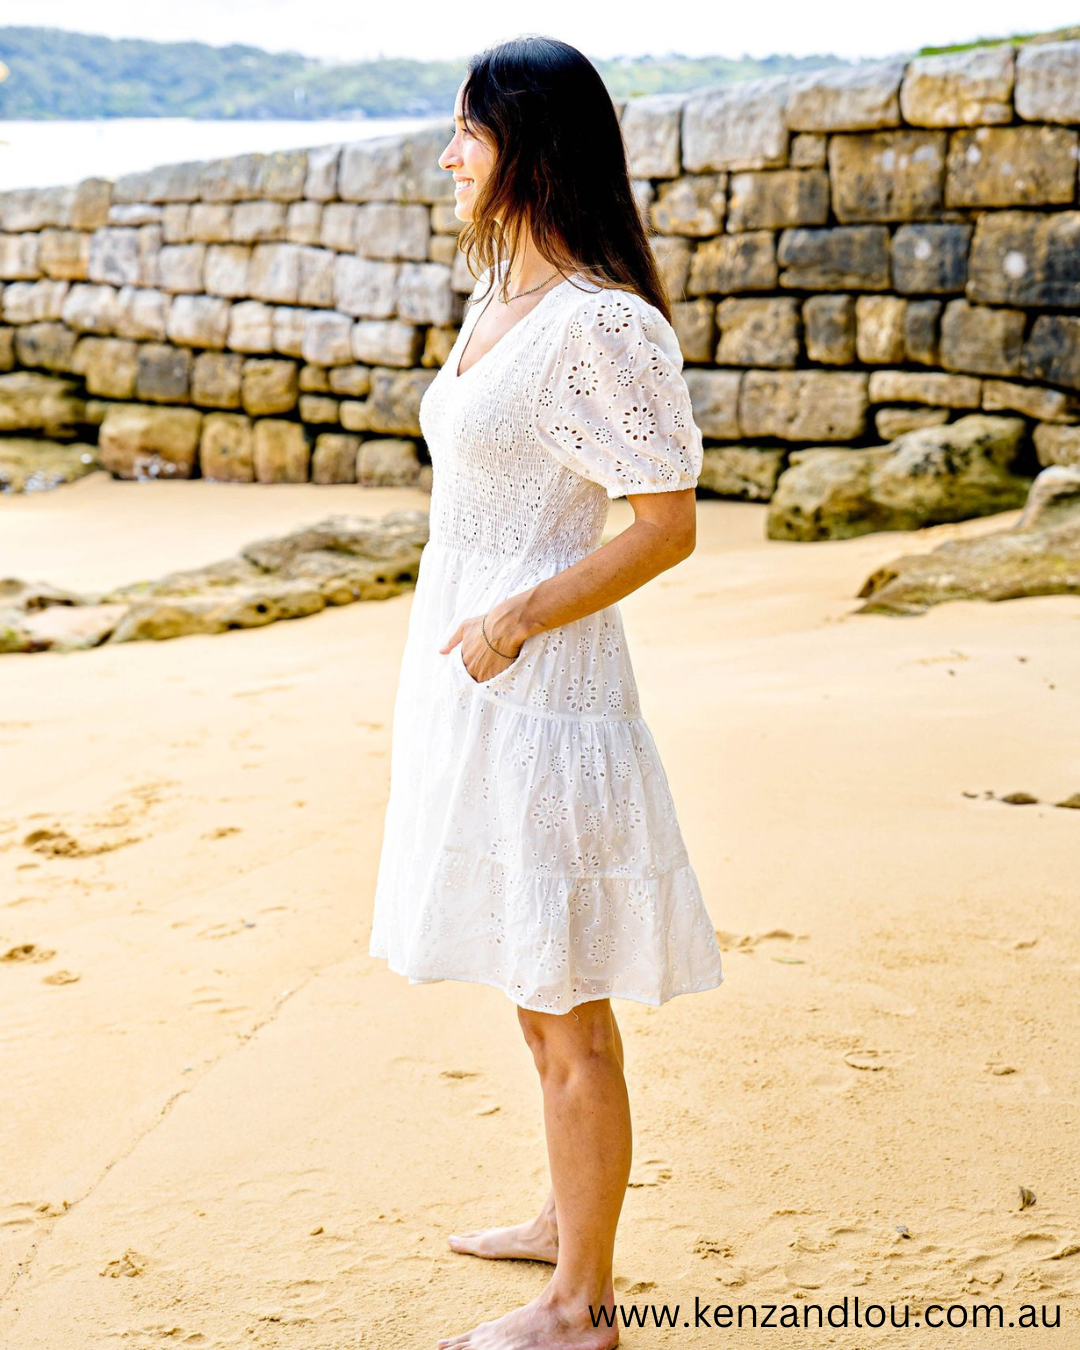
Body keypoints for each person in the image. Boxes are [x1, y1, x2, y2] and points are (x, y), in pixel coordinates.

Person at [367, 33, 725, 1350]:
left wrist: (518, 612)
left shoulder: (604, 324)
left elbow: (668, 522)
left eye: (466, 129)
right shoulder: (497, 304)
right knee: (533, 975)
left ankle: (581, 1302)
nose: (447, 152)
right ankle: (563, 1218)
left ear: (531, 147)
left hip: (545, 687)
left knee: (568, 999)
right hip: (470, 680)